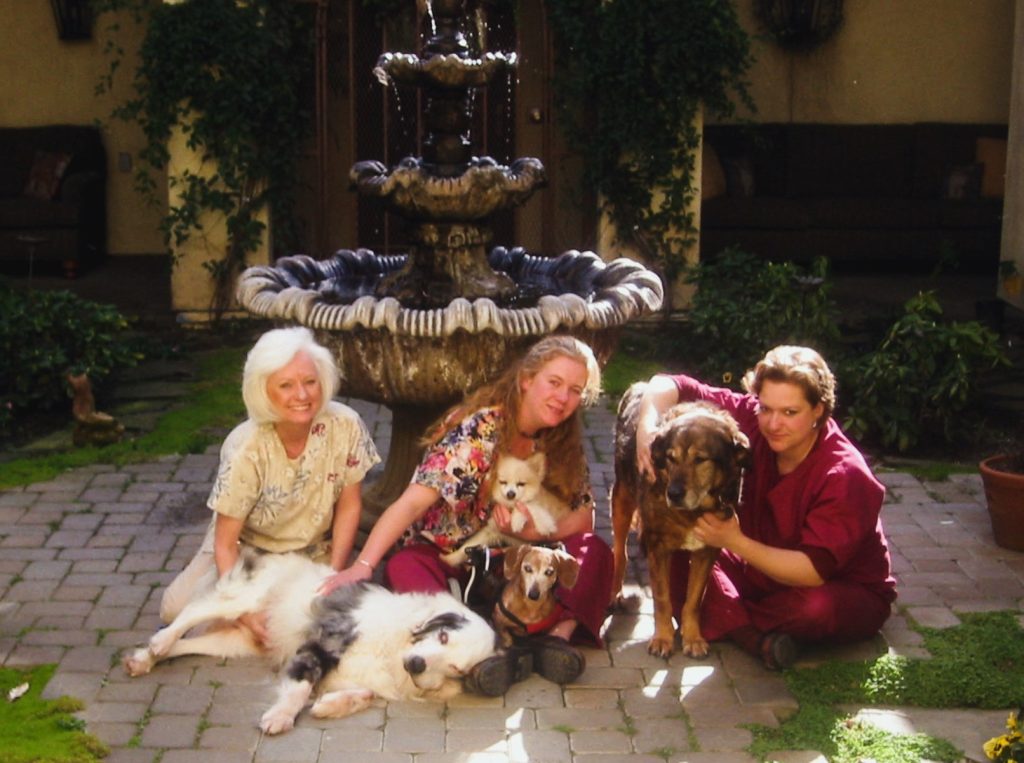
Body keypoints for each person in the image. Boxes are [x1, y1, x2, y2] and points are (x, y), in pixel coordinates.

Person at [320, 335, 614, 695]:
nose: (563, 398)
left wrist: (534, 537)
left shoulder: (561, 441)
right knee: (402, 567)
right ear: (526, 379)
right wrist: (363, 564)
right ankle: (477, 643)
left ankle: (554, 640)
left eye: (575, 390)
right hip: (452, 554)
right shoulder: (479, 429)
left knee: (594, 551)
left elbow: (585, 519)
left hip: (524, 565)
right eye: (554, 383)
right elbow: (413, 503)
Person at [634, 345, 896, 669]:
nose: (773, 424)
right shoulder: (753, 421)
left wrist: (734, 541)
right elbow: (668, 385)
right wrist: (646, 428)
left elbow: (812, 571)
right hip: (755, 570)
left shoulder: (844, 474)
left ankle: (744, 632)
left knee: (814, 610)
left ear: (819, 410)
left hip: (829, 585)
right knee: (675, 558)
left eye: (790, 412)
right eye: (765, 408)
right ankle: (756, 634)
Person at [159, 327, 380, 644]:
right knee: (175, 612)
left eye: (310, 382)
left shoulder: (346, 424)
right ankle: (205, 569)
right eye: (286, 385)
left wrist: (334, 572)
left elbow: (349, 505)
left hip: (312, 547)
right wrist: (244, 613)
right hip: (244, 546)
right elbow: (227, 543)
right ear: (263, 391)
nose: (302, 395)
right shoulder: (245, 447)